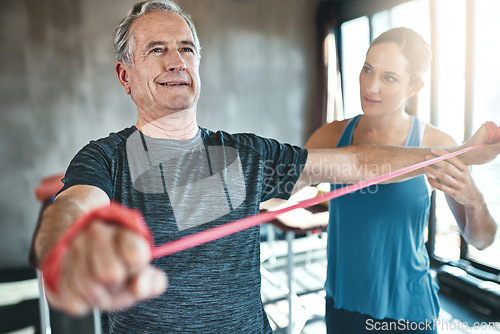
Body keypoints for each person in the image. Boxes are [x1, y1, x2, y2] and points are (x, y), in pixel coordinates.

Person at [30, 2, 500, 333]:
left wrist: (457, 155)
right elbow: (72, 206)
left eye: (187, 48)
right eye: (156, 50)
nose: (176, 61)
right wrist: (71, 242)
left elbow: (355, 161)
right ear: (124, 75)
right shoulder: (105, 158)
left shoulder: (244, 155)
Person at [305, 27, 498, 334]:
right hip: (343, 304)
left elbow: (482, 240)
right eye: (367, 70)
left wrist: (474, 200)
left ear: (415, 86)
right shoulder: (329, 136)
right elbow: (283, 185)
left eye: (389, 77)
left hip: (408, 311)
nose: (371, 86)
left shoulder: (436, 142)